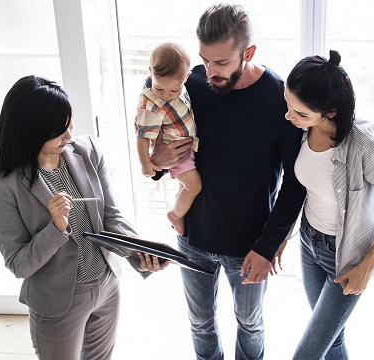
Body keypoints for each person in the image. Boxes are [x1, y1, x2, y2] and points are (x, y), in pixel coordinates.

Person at [148, 4, 307, 360]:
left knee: (250, 324)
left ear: (248, 53)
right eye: (204, 60)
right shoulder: (188, 84)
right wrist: (156, 162)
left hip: (249, 245)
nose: (210, 72)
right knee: (200, 323)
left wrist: (268, 246)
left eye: (221, 63)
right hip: (193, 237)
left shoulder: (278, 99)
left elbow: (295, 185)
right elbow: (153, 118)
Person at [0, 75, 169, 360]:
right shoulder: (4, 185)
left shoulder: (88, 151)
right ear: (32, 130)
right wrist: (56, 228)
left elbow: (110, 216)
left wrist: (139, 252)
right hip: (58, 302)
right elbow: (19, 264)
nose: (69, 136)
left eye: (69, 124)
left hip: (107, 286)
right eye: (59, 130)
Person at [283, 51, 374, 360]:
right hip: (308, 243)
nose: (289, 117)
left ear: (329, 111)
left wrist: (366, 266)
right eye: (288, 106)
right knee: (333, 340)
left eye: (299, 113)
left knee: (308, 352)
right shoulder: (301, 132)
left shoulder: (364, 145)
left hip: (345, 259)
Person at [134, 42, 201, 236]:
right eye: (159, 88)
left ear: (186, 78)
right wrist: (146, 163)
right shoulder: (150, 105)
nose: (165, 95)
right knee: (194, 186)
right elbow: (142, 136)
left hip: (187, 149)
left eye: (173, 91)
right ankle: (175, 215)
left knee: (184, 186)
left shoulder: (182, 85)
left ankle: (179, 210)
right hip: (176, 154)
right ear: (150, 73)